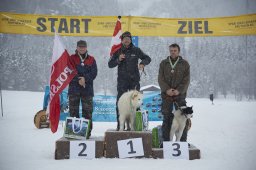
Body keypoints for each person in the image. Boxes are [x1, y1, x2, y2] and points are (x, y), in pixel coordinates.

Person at [108, 31, 151, 131]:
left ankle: (136, 126)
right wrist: (118, 59)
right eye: (125, 39)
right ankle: (120, 126)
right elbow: (110, 64)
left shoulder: (136, 50)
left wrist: (142, 63)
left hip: (134, 82)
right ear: (122, 40)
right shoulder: (117, 51)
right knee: (120, 103)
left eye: (128, 38)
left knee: (136, 103)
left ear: (131, 40)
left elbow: (148, 58)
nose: (127, 40)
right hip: (122, 82)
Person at [158, 43, 190, 143]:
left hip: (180, 96)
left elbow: (186, 80)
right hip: (166, 95)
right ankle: (166, 142)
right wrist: (167, 89)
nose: (173, 52)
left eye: (175, 51)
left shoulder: (185, 64)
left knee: (183, 119)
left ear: (178, 51)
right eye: (171, 50)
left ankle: (182, 142)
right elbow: (160, 78)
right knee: (166, 118)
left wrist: (178, 90)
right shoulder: (164, 63)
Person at [68, 40, 97, 137]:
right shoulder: (71, 58)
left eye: (83, 47)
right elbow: (68, 71)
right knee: (73, 113)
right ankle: (74, 134)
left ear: (86, 48)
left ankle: (86, 134)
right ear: (76, 48)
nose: (81, 48)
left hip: (87, 90)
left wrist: (85, 78)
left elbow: (94, 73)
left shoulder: (92, 59)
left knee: (87, 114)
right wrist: (78, 79)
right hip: (74, 90)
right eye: (80, 47)